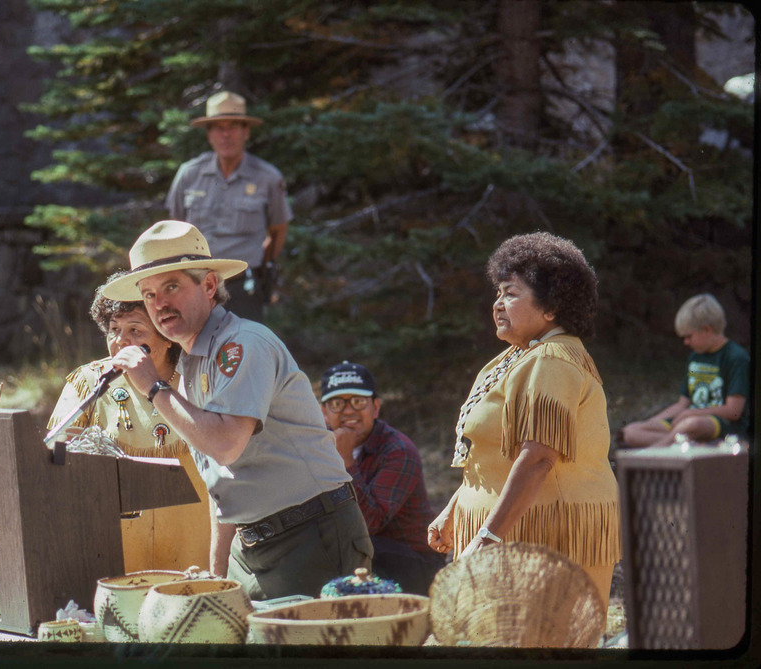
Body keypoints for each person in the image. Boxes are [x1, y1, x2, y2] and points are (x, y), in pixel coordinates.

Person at [102, 220, 371, 600]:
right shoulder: (193, 363)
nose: (159, 304)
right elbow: (223, 484)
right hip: (252, 545)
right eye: (148, 294)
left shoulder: (243, 344)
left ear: (210, 285)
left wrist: (154, 386)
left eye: (172, 287)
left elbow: (226, 445)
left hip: (311, 535)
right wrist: (217, 575)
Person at [426, 232, 621, 610]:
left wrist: (487, 537)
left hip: (544, 535)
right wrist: (456, 506)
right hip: (513, 532)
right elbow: (493, 453)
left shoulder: (552, 359)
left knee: (535, 640)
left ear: (551, 307)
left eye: (511, 293)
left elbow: (538, 458)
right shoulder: (519, 357)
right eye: (497, 293)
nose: (497, 304)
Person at [46, 273, 211, 572]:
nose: (120, 340)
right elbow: (54, 462)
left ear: (167, 336)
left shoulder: (199, 381)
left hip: (194, 547)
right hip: (112, 552)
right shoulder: (88, 383)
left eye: (135, 330)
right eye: (114, 329)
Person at [319, 361, 445, 595]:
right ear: (324, 413)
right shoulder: (319, 447)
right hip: (362, 552)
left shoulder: (398, 450)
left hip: (412, 562)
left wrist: (345, 460)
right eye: (337, 404)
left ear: (375, 408)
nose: (348, 411)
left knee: (352, 547)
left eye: (358, 402)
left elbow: (369, 524)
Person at [165, 91, 291, 322]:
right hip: (196, 285)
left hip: (243, 286)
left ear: (246, 132)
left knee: (242, 344)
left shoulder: (267, 177)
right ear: (209, 134)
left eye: (233, 127)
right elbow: (175, 228)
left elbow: (278, 230)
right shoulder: (189, 174)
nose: (226, 135)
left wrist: (259, 265)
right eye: (218, 128)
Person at [620, 294, 750, 448]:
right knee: (631, 431)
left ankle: (652, 453)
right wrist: (650, 422)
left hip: (718, 424)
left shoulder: (735, 357)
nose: (686, 342)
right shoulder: (695, 357)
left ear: (706, 329)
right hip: (685, 423)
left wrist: (691, 413)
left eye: (689, 336)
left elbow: (733, 410)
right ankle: (695, 447)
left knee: (691, 424)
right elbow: (682, 404)